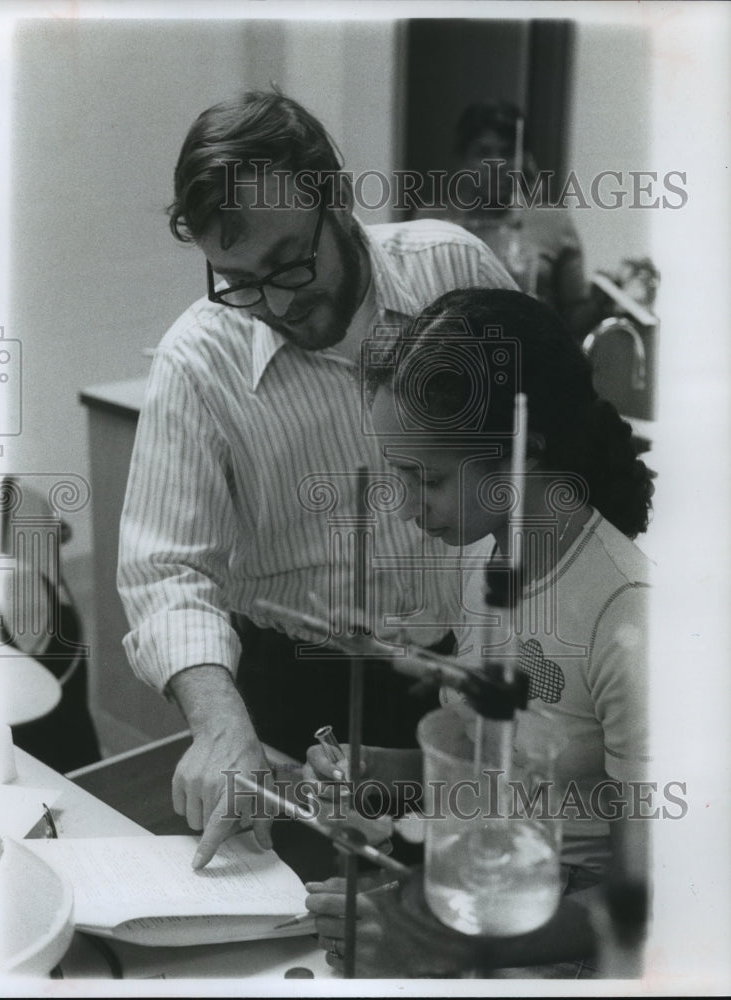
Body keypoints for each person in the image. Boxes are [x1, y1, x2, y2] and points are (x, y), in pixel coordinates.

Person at [116, 90, 516, 869]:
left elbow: (545, 445)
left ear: (334, 196)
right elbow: (164, 571)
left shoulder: (454, 268)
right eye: (237, 279)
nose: (275, 303)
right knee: (306, 932)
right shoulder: (199, 358)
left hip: (474, 672)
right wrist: (220, 724)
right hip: (297, 704)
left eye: (289, 263)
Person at [305, 287, 654, 977]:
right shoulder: (483, 559)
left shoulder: (627, 613)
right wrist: (379, 771)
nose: (404, 507)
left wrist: (445, 942)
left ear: (523, 448)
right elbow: (490, 762)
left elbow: (650, 896)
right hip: (478, 904)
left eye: (425, 479)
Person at [415, 101, 600, 341]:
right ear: (463, 160)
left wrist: (604, 299)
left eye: (508, 152)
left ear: (524, 159)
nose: (497, 165)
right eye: (483, 153)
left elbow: (576, 321)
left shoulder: (553, 223)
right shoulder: (431, 222)